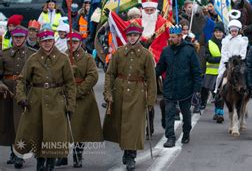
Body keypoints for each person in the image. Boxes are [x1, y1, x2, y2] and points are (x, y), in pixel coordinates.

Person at [14, 25, 76, 170]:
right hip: (36, 101)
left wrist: (71, 104)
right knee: (37, 132)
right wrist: (21, 97)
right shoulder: (33, 59)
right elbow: (22, 80)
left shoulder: (63, 58)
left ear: (53, 41)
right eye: (43, 41)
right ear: (39, 42)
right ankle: (40, 159)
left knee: (54, 134)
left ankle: (51, 161)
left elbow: (70, 84)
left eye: (49, 40)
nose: (46, 43)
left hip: (57, 100)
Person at [103, 22, 157, 170]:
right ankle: (126, 150)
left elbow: (151, 79)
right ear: (126, 36)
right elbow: (110, 74)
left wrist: (150, 100)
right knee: (122, 125)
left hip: (137, 93)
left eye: (135, 35)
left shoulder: (146, 55)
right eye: (130, 35)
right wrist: (107, 92)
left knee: (133, 126)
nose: (132, 38)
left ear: (139, 36)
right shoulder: (119, 53)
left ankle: (131, 156)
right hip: (120, 92)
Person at [55, 31, 103, 168]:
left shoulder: (87, 58)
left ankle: (78, 154)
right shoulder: (61, 57)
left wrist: (79, 91)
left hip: (83, 97)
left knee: (79, 127)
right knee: (63, 127)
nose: (72, 46)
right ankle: (62, 156)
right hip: (64, 95)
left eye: (75, 42)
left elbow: (93, 76)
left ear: (80, 43)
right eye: (69, 43)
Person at [156, 25, 201, 148]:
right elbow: (160, 68)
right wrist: (150, 76)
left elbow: (197, 71)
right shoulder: (166, 51)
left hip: (185, 88)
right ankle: (170, 137)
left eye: (173, 37)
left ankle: (186, 132)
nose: (170, 39)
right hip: (169, 88)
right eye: (170, 37)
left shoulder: (189, 50)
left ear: (180, 37)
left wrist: (197, 90)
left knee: (186, 115)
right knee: (169, 113)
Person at [0, 26, 35, 168]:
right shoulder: (4, 54)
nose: (18, 39)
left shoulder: (32, 54)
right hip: (7, 93)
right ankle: (13, 153)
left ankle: (20, 154)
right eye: (16, 37)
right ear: (12, 38)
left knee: (21, 123)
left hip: (25, 91)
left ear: (25, 37)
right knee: (8, 123)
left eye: (21, 37)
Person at [214, 19, 249, 94]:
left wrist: (240, 60)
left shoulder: (242, 41)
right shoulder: (225, 40)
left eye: (235, 31)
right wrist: (226, 61)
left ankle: (247, 88)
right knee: (220, 74)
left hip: (238, 62)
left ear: (238, 31)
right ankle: (217, 90)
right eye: (232, 31)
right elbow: (224, 52)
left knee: (244, 72)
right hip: (227, 61)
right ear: (230, 31)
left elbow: (243, 52)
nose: (234, 33)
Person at [201, 22, 225, 123]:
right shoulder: (210, 43)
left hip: (223, 72)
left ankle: (219, 113)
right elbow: (207, 57)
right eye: (216, 32)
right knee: (215, 93)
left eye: (220, 32)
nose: (218, 34)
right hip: (211, 73)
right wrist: (220, 59)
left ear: (223, 33)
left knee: (221, 93)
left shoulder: (226, 42)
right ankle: (217, 110)